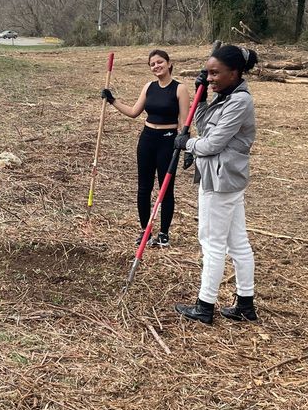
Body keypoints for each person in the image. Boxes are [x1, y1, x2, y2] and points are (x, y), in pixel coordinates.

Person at [173, 44, 259, 324]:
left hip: (220, 180)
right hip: (224, 177)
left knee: (211, 242)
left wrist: (187, 143)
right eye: (207, 73)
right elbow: (205, 126)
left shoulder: (239, 102)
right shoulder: (225, 96)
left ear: (234, 73)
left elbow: (211, 144)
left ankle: (204, 306)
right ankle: (245, 305)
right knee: (238, 243)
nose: (210, 78)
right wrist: (200, 100)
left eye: (215, 73)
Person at [101, 49, 191, 247]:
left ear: (168, 64)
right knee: (144, 188)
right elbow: (134, 112)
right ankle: (145, 230)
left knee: (165, 189)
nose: (156, 66)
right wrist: (112, 99)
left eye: (160, 62)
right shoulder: (149, 87)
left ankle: (164, 233)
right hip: (147, 139)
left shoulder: (180, 89)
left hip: (168, 140)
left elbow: (184, 122)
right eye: (152, 64)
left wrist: (187, 146)